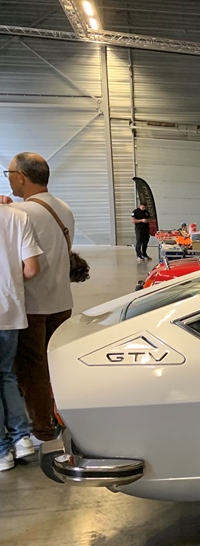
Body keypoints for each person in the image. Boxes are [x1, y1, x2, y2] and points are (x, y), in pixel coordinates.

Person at [4, 152, 75, 448]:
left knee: (32, 371)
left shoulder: (20, 213)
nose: (8, 180)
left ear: (21, 177)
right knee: (56, 367)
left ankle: (42, 431)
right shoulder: (64, 208)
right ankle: (60, 419)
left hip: (33, 306)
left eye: (9, 174)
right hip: (62, 301)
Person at [0, 204, 42, 471]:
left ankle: (2, 451)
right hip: (10, 308)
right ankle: (21, 438)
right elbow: (32, 269)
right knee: (6, 375)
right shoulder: (17, 216)